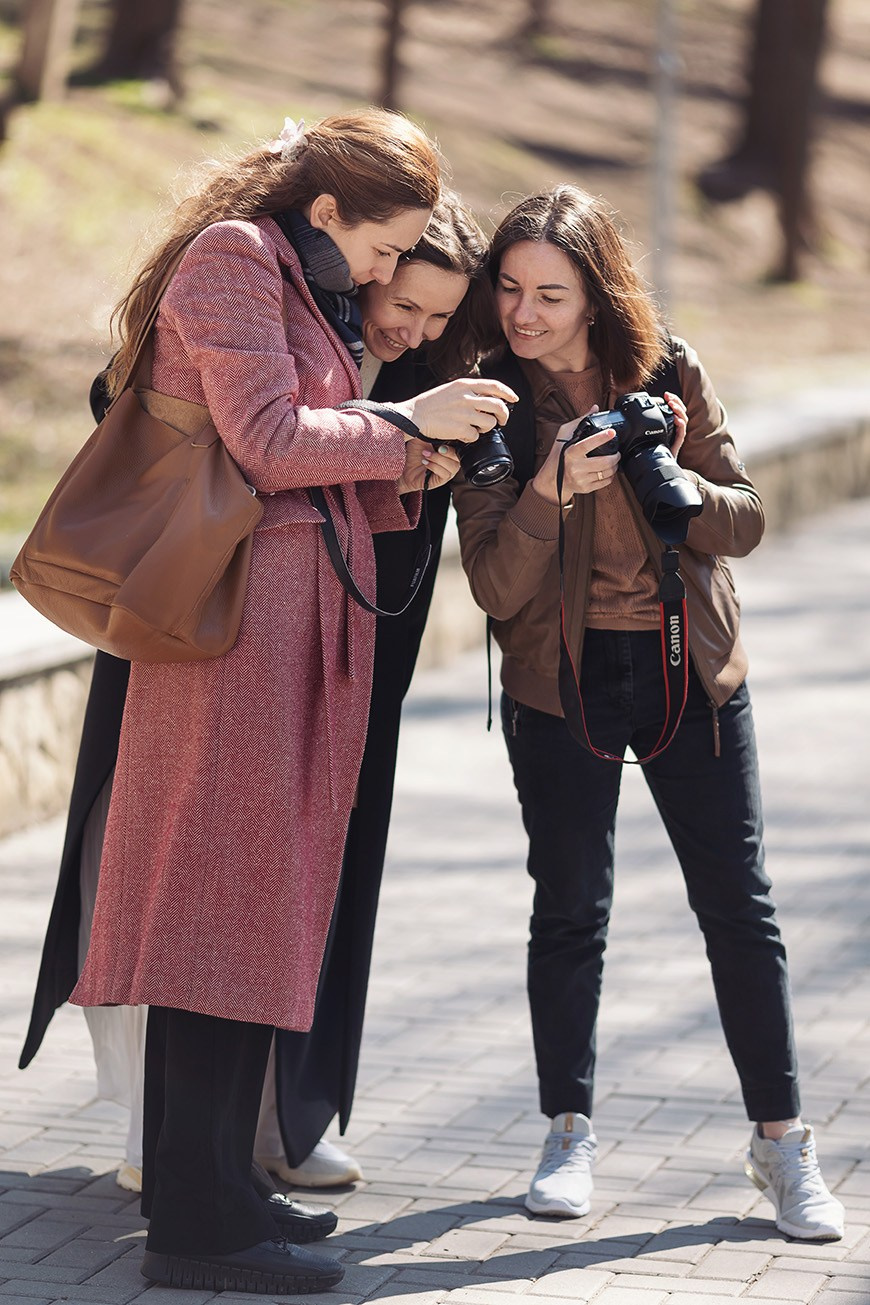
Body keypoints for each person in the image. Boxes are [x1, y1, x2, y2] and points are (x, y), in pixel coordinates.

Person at [58, 110, 514, 1295]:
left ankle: (225, 1185)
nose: (385, 275)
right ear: (329, 213)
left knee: (254, 905)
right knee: (217, 906)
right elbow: (265, 442)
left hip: (287, 631)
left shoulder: (291, 282)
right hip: (230, 637)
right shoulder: (233, 263)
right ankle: (197, 1227)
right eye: (385, 248)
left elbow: (315, 452)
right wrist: (405, 425)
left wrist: (420, 459)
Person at [452, 184, 846, 1242]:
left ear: (597, 296)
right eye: (511, 289)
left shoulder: (667, 370)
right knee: (570, 908)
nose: (525, 313)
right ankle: (567, 1133)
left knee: (740, 909)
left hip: (692, 675)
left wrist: (683, 493)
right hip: (560, 683)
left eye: (551, 294)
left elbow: (748, 519)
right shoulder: (486, 396)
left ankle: (783, 1147)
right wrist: (552, 490)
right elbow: (493, 583)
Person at [257, 191, 497, 1184]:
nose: (416, 329)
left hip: (364, 660)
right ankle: (189, 1131)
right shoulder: (287, 321)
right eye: (407, 300)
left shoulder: (436, 372)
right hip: (254, 646)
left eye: (443, 317)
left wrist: (436, 466)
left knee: (341, 873)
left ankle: (297, 1121)